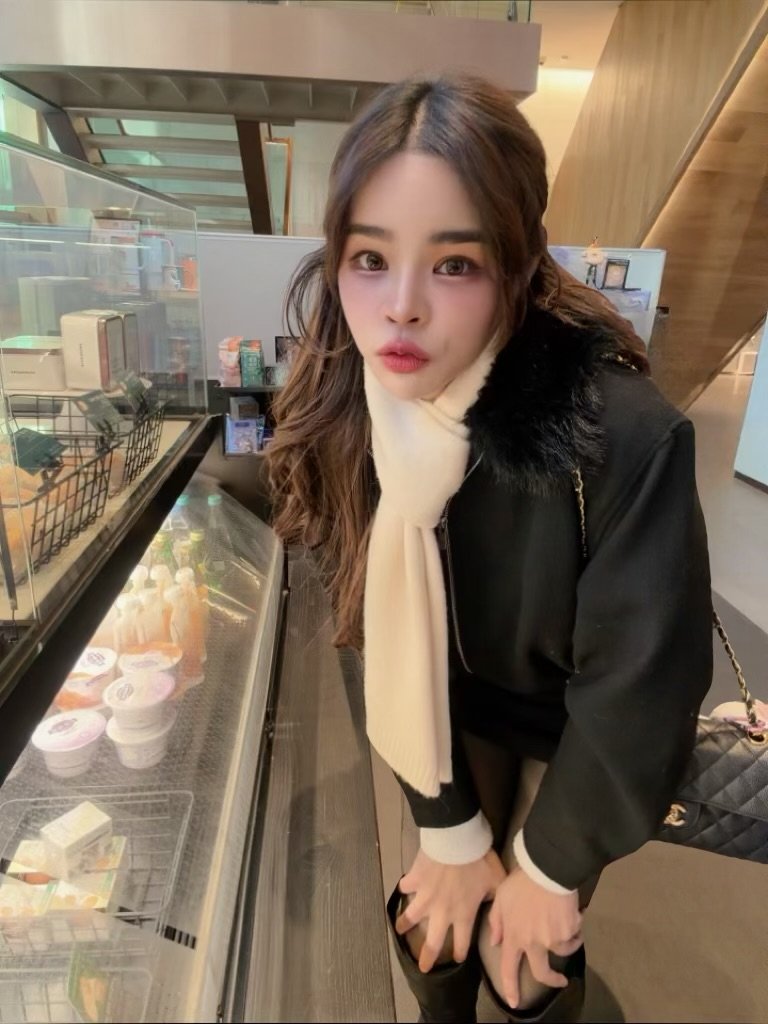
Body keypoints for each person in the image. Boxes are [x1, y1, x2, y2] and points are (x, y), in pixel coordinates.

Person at [267, 72, 713, 1024]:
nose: (401, 308)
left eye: (455, 264)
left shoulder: (619, 432)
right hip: (449, 705)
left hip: (572, 724)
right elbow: (372, 627)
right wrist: (449, 830)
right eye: (370, 258)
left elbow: (641, 684)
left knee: (524, 960)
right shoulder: (352, 401)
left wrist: (547, 869)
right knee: (434, 925)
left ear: (516, 264)